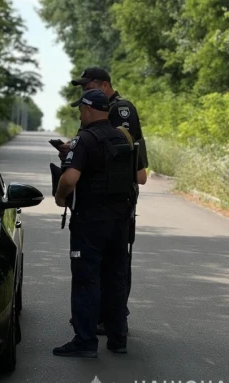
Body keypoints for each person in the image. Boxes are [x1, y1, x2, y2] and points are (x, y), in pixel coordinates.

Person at [52, 89, 146, 358]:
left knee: (86, 279)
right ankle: (118, 339)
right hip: (120, 221)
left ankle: (85, 341)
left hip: (90, 222)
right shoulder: (124, 137)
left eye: (81, 109)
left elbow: (69, 179)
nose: (80, 114)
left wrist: (60, 198)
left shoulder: (84, 139)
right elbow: (138, 176)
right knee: (115, 278)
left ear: (89, 109)